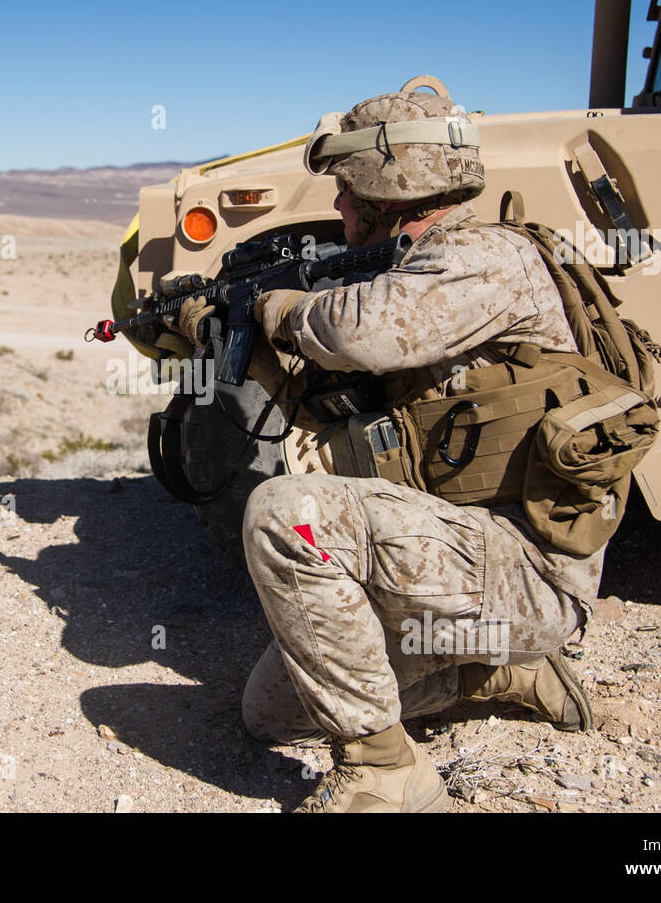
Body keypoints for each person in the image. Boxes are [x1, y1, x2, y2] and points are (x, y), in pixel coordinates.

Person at [176, 87, 607, 813]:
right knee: (270, 712)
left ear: (387, 185)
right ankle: (495, 673)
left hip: (527, 571)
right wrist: (222, 335)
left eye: (346, 191)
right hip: (453, 556)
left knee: (287, 514)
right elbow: (320, 412)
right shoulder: (413, 271)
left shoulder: (485, 257)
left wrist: (274, 307)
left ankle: (385, 774)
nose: (340, 209)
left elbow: (361, 334)